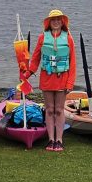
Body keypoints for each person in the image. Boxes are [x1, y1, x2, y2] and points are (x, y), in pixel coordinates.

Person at [26, 10, 77, 152]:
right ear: (49, 22)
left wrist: (70, 83)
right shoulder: (42, 37)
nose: (56, 22)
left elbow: (73, 63)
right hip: (47, 78)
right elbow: (35, 58)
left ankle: (59, 140)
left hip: (62, 78)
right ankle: (50, 139)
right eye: (53, 20)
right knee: (49, 110)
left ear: (62, 22)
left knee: (59, 110)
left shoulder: (69, 39)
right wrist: (28, 73)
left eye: (58, 19)